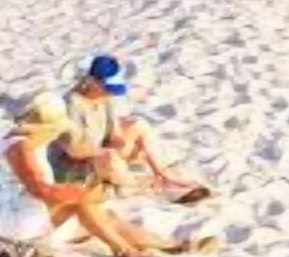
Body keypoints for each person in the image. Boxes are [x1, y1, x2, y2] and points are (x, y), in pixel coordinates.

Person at [0, 92, 205, 257]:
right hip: (15, 222)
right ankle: (125, 252)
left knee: (103, 218)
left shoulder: (20, 140)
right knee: (83, 205)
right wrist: (82, 193)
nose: (55, 134)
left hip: (14, 213)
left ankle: (168, 245)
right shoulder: (21, 150)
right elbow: (41, 190)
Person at [61, 54, 212, 206]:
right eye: (108, 88)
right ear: (94, 82)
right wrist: (106, 153)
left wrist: (121, 142)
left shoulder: (106, 97)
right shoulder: (72, 104)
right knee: (110, 159)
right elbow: (73, 150)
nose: (110, 93)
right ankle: (138, 188)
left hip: (102, 150)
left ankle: (164, 175)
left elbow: (114, 133)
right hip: (79, 165)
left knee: (139, 125)